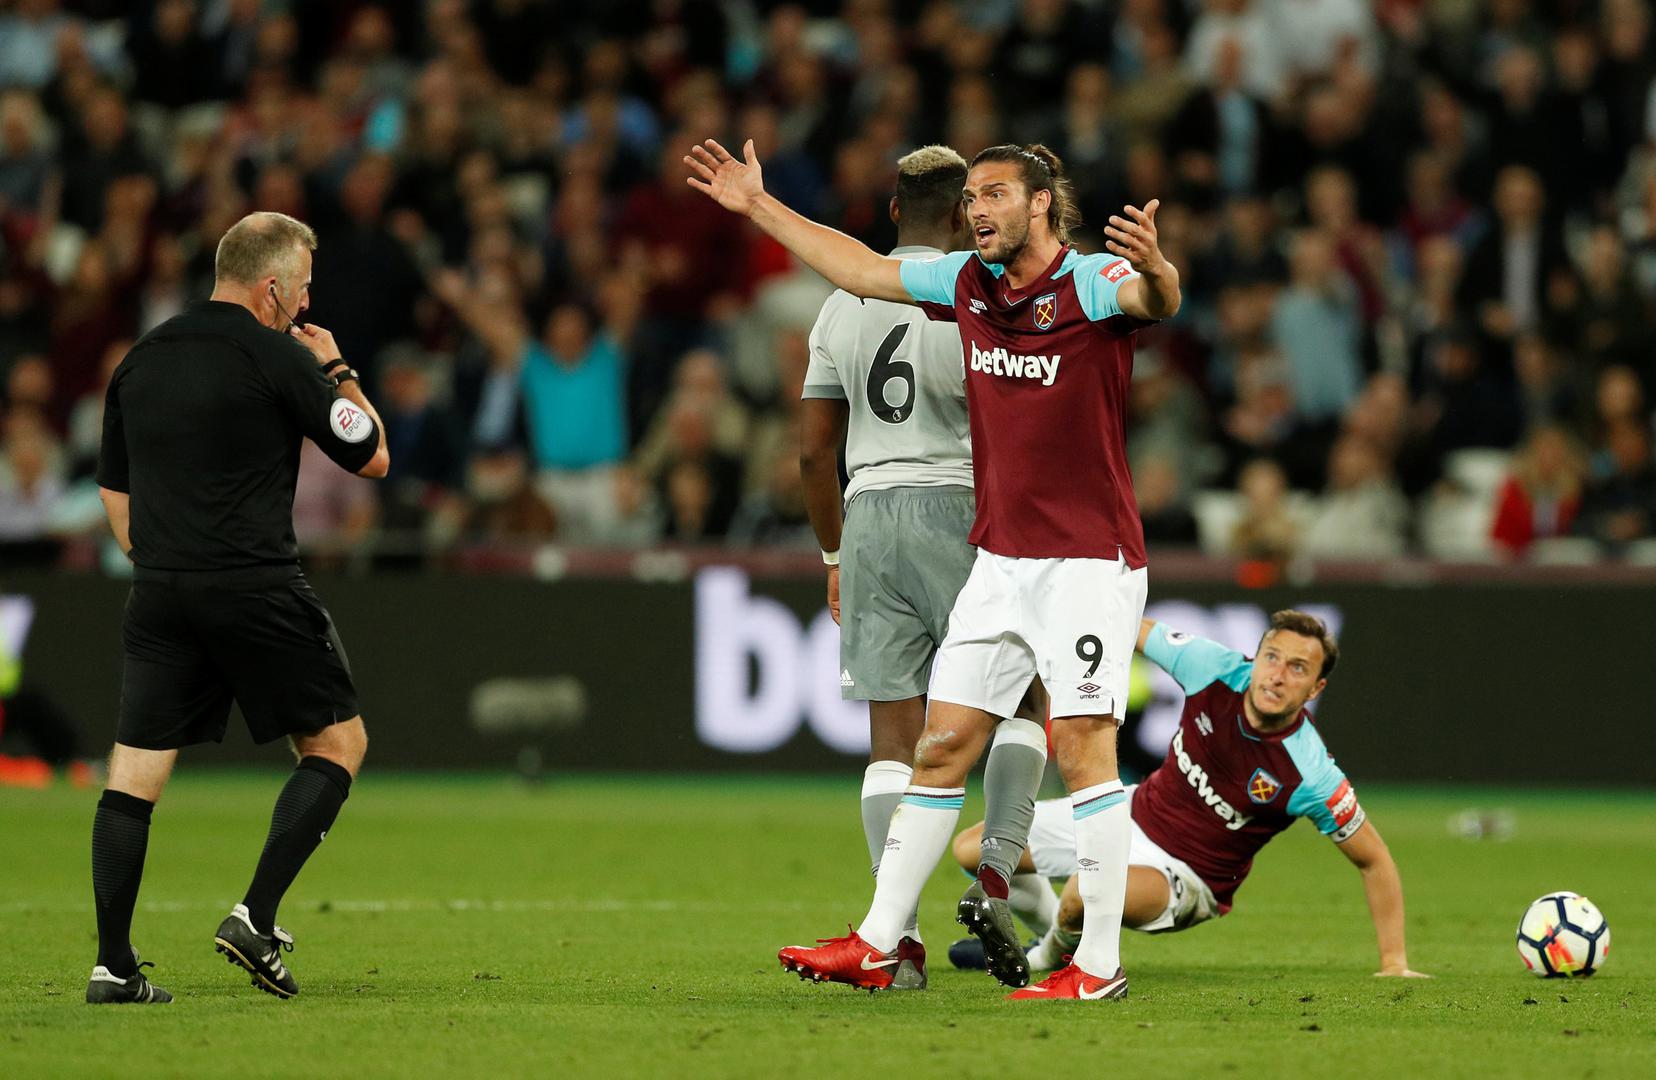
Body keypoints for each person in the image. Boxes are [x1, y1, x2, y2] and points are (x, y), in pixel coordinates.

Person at [688, 136, 1181, 1000]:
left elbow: (1155, 299)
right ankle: (882, 942)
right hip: (997, 562)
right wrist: (758, 205)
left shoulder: (1092, 281)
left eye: (997, 195)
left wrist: (1159, 270)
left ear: (1039, 203)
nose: (979, 210)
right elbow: (859, 269)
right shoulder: (967, 284)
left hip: (1085, 560)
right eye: (973, 198)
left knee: (1082, 747)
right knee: (942, 746)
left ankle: (1099, 965)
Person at [87, 211, 390, 1005]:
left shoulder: (140, 359)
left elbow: (114, 491)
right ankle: (255, 915)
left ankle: (113, 967)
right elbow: (372, 454)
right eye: (303, 289)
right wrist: (337, 367)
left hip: (160, 590)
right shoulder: (278, 354)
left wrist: (162, 562)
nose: (305, 304)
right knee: (338, 742)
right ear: (272, 287)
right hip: (255, 586)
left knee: (134, 773)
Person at [795, 145, 1051, 991]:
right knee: (1024, 700)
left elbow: (813, 450)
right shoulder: (981, 293)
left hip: (869, 515)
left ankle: (895, 941)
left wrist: (835, 554)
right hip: (967, 508)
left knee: (893, 741)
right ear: (965, 214)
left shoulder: (842, 303)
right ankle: (997, 872)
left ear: (895, 210)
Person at [948, 612, 1428, 981]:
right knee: (975, 849)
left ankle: (1042, 956)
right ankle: (1052, 936)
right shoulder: (1213, 668)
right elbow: (1128, 625)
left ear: (1316, 688)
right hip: (1129, 814)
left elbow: (1374, 860)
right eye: (1272, 657)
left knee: (1082, 891)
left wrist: (1394, 962)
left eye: (1297, 668)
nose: (1278, 675)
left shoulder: (1311, 772)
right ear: (1257, 656)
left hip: (1185, 878)